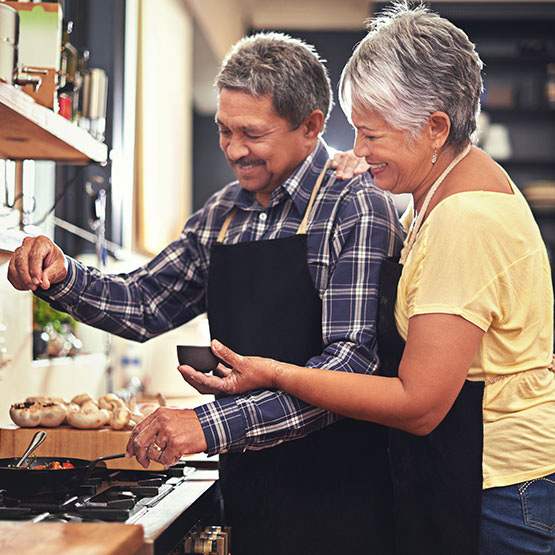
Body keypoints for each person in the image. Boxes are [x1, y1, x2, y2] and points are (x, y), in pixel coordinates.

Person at [177, 4, 555, 555]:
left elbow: (418, 404)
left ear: (434, 128)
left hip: (498, 492)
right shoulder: (440, 192)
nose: (355, 150)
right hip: (476, 477)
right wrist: (378, 169)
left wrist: (274, 373)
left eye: (370, 134)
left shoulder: (463, 219)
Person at [8, 32, 404, 555]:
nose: (234, 150)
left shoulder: (355, 206)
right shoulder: (222, 214)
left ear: (310, 126)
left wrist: (207, 426)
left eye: (252, 133)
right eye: (224, 130)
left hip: (343, 499)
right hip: (250, 491)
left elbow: (350, 368)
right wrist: (61, 276)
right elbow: (146, 301)